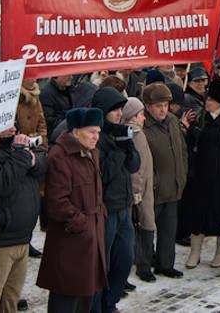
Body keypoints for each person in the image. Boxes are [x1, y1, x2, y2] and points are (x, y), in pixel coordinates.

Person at [0, 117, 48, 313]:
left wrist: (30, 158)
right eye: (5, 125)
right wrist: (22, 156)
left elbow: (43, 162)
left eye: (14, 123)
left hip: (22, 238)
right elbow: (1, 184)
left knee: (10, 300)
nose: (13, 129)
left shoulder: (15, 146)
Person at [37, 108, 107, 313]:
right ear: (76, 132)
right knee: (67, 297)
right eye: (92, 131)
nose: (97, 137)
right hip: (72, 240)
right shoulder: (61, 156)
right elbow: (57, 202)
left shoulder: (91, 151)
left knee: (85, 295)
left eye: (98, 131)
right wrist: (82, 224)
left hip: (91, 237)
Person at [88, 87, 141, 313]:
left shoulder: (120, 133)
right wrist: (119, 150)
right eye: (115, 110)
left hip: (123, 207)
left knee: (125, 260)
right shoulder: (95, 138)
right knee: (103, 264)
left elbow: (134, 166)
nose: (120, 114)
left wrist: (128, 147)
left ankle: (110, 302)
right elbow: (104, 174)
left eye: (121, 109)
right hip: (105, 209)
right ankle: (96, 307)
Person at [184, 76, 220, 269]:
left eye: (211, 99)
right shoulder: (201, 120)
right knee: (197, 214)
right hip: (202, 177)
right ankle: (195, 251)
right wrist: (191, 132)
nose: (207, 101)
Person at [142, 83, 188, 278]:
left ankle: (165, 264)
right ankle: (144, 266)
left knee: (169, 230)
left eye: (166, 105)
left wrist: (182, 175)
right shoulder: (143, 127)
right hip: (153, 190)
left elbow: (182, 150)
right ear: (148, 106)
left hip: (173, 186)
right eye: (158, 106)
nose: (163, 110)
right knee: (147, 231)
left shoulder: (172, 121)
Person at [122, 98, 156, 283]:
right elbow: (138, 166)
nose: (144, 118)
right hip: (141, 191)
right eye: (141, 114)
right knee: (144, 226)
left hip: (139, 188)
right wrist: (137, 191)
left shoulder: (129, 132)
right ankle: (144, 267)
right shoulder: (137, 134)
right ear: (133, 116)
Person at [40, 76, 74, 140]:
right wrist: (70, 123)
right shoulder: (46, 94)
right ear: (57, 75)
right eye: (68, 74)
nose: (71, 77)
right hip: (56, 137)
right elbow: (49, 121)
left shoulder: (70, 90)